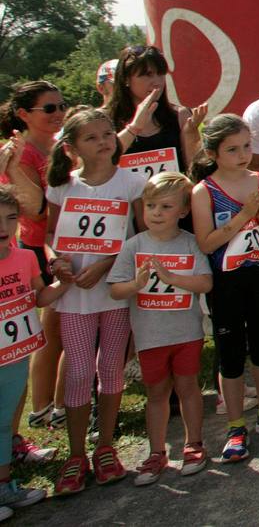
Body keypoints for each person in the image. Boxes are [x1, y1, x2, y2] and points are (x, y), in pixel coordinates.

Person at [45, 107, 147, 494]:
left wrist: (106, 264)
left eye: (107, 134)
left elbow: (140, 236)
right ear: (71, 149)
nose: (104, 141)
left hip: (114, 292)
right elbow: (49, 233)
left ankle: (105, 445)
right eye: (92, 137)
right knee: (77, 371)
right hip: (74, 296)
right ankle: (75, 454)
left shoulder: (132, 183)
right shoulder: (62, 186)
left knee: (111, 369)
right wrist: (55, 258)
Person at [190, 114, 259, 463]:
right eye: (232, 149)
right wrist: (242, 216)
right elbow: (206, 243)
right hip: (225, 282)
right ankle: (236, 425)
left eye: (246, 147)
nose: (241, 154)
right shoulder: (203, 191)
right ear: (213, 152)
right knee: (231, 352)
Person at [107, 172, 213, 485]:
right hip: (150, 336)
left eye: (165, 207)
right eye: (150, 205)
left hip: (186, 334)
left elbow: (205, 283)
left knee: (188, 388)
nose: (155, 212)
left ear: (183, 211)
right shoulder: (133, 245)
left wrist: (173, 278)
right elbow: (115, 290)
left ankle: (194, 444)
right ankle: (156, 452)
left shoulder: (191, 243)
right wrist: (135, 284)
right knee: (156, 393)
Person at [0, 81, 67, 441]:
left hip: (64, 238)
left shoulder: (58, 147)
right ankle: (42, 409)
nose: (58, 114)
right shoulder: (20, 154)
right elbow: (37, 208)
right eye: (49, 108)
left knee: (59, 326)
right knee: (50, 328)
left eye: (61, 106)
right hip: (39, 245)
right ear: (24, 114)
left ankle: (52, 405)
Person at [0, 185, 68, 513]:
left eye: (11, 218)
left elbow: (40, 297)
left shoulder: (26, 257)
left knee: (3, 419)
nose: (3, 227)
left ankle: (5, 488)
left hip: (14, 357)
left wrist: (65, 282)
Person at [107, 44, 207, 175]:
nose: (156, 82)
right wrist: (134, 128)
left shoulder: (179, 115)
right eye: (147, 75)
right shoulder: (105, 119)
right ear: (126, 79)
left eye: (160, 74)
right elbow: (99, 161)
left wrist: (190, 132)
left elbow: (194, 173)